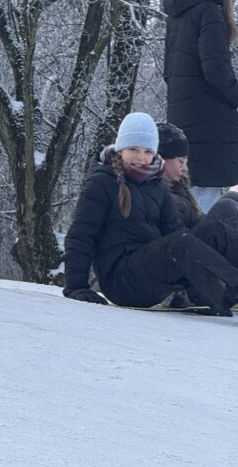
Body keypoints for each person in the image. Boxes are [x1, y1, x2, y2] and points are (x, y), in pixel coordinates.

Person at [63, 112, 238, 316]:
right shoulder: (103, 182)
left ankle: (207, 294)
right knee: (180, 242)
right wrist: (76, 286)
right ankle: (232, 287)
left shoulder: (156, 186)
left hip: (153, 272)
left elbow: (179, 233)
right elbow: (81, 235)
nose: (141, 157)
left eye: (147, 151)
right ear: (120, 149)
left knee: (215, 226)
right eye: (133, 149)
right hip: (122, 281)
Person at [163, 0, 238, 212]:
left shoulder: (178, 14)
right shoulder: (211, 11)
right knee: (206, 201)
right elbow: (216, 70)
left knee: (188, 196)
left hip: (183, 119)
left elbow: (167, 71)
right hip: (210, 125)